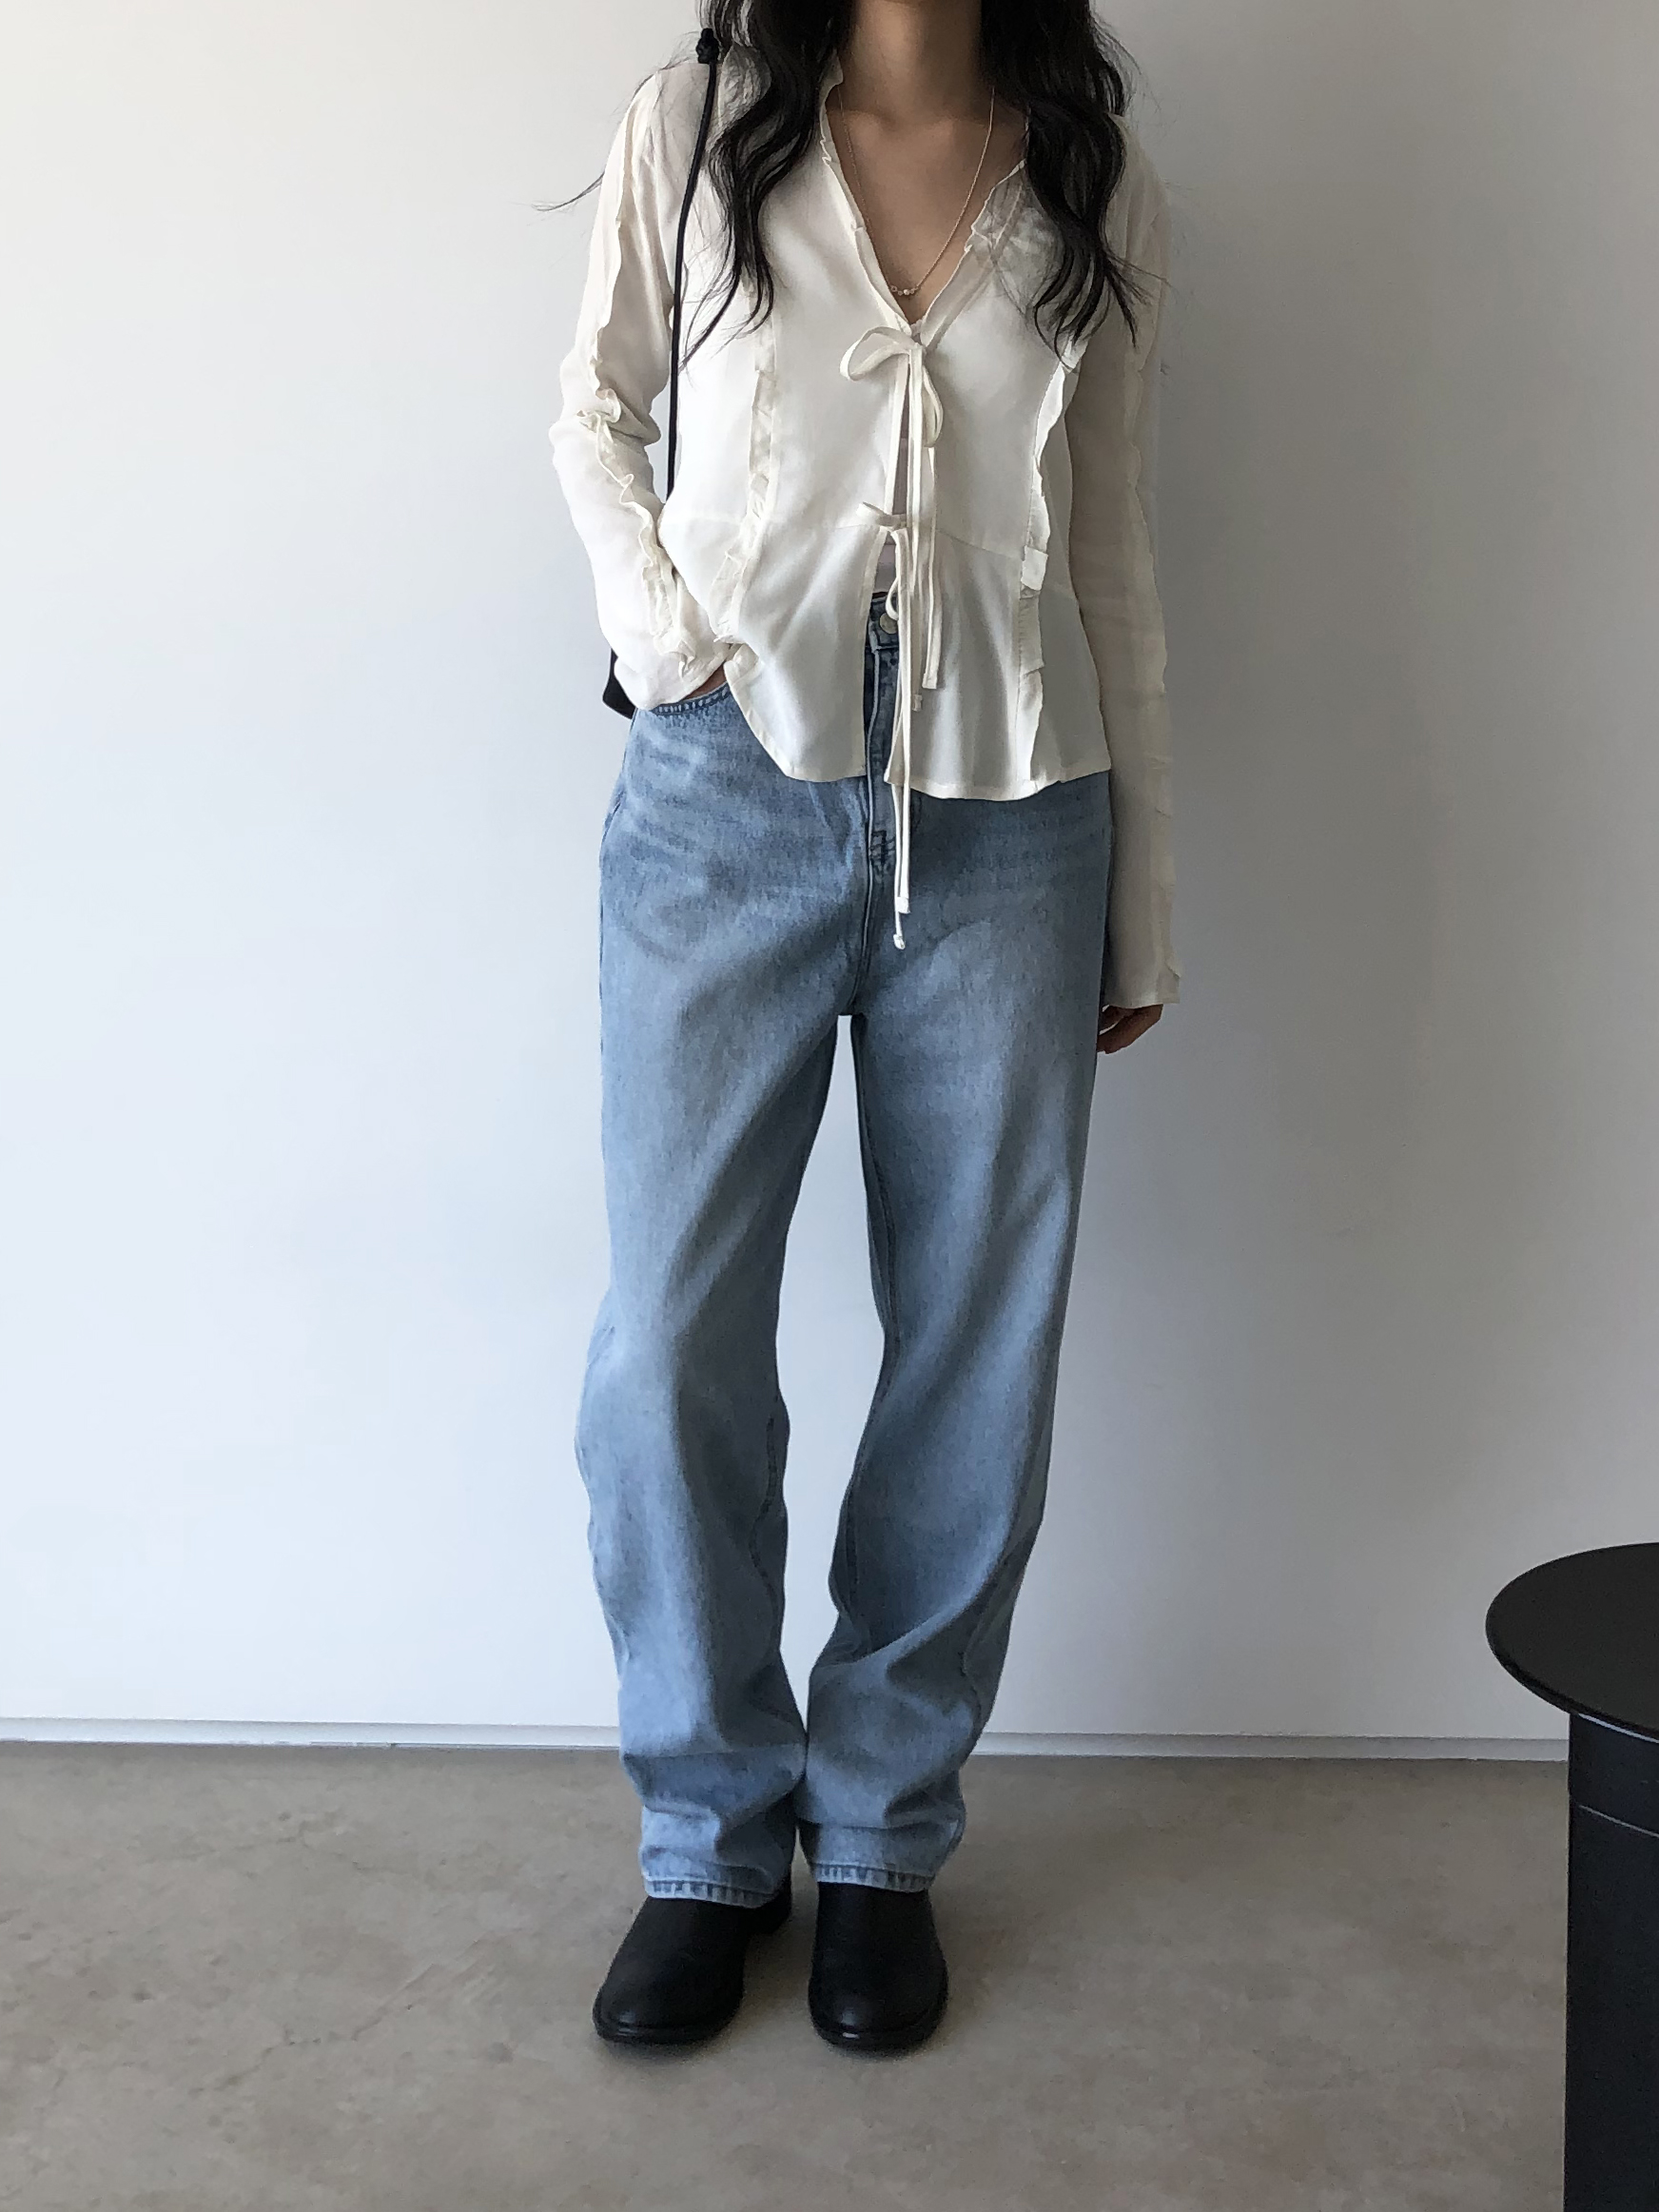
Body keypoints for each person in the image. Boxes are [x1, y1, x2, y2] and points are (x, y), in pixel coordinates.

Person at [550, 0, 1178, 2056]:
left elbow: (1109, 546)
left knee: (979, 1343)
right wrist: (671, 647)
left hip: (1017, 813)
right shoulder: (695, 127)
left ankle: (885, 1833)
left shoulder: (1088, 173)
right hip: (720, 798)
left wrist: (1142, 893)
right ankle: (709, 1834)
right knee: (669, 1341)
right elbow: (591, 414)